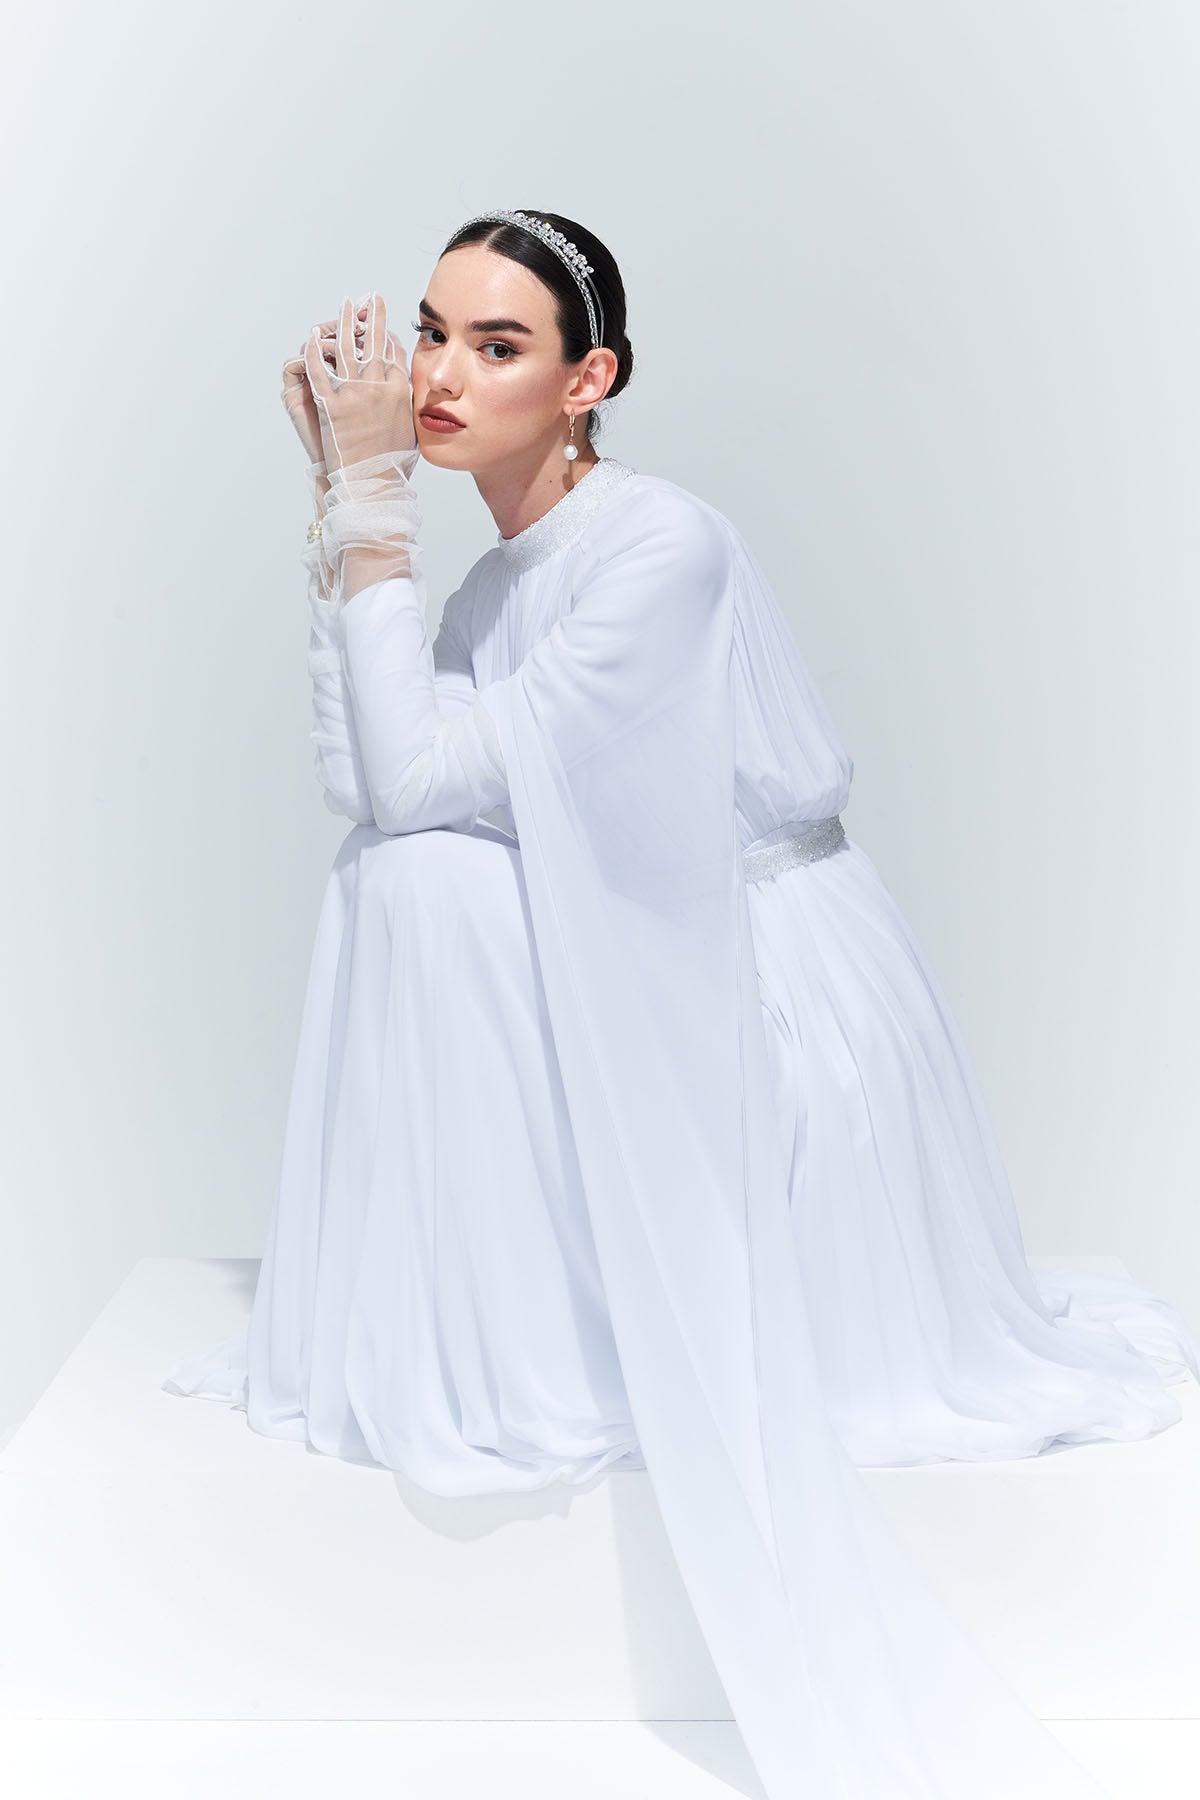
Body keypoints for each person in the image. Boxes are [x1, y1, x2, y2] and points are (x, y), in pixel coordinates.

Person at [164, 209, 1199, 1797]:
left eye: (497, 346)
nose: (439, 376)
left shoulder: (663, 548)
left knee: (425, 878)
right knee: (402, 877)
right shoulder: (491, 593)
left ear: (591, 382)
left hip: (774, 977)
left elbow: (421, 782)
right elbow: (372, 786)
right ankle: (478, 1342)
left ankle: (529, 1358)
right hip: (646, 947)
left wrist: (373, 506)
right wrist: (340, 507)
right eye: (430, 334)